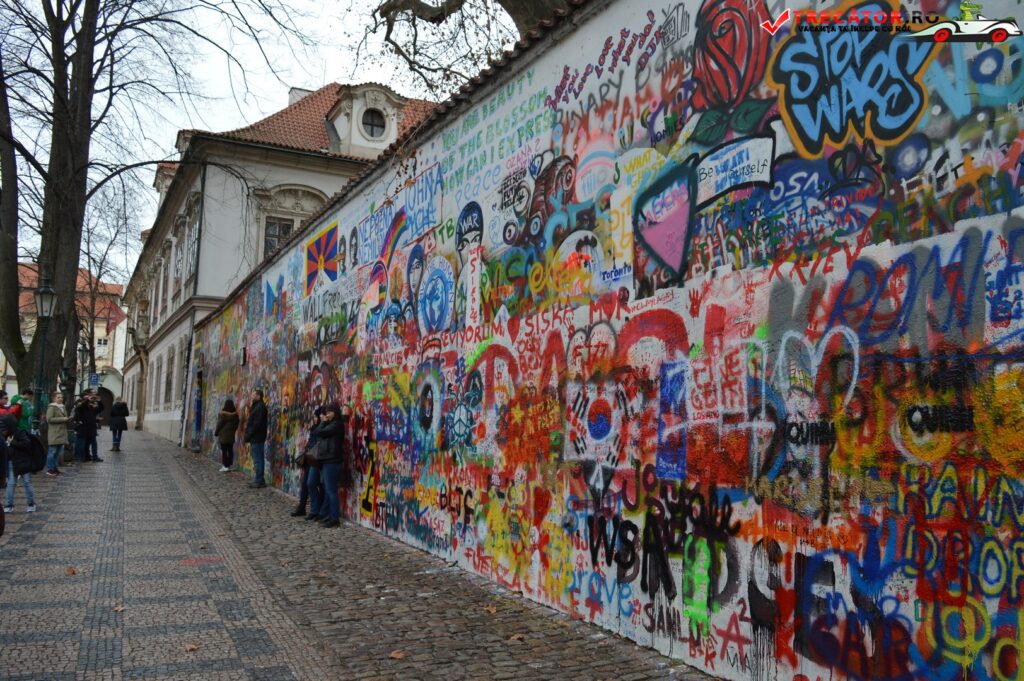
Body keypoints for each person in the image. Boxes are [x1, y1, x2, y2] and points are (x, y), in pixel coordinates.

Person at [312, 403, 349, 528]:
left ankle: (334, 519)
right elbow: (317, 432)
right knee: (329, 490)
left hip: (332, 461)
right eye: (326, 412)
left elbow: (320, 432)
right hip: (327, 459)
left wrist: (323, 421)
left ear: (335, 412)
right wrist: (324, 422)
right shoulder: (331, 424)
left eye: (330, 412)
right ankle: (329, 515)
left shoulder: (336, 424)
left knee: (331, 490)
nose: (327, 414)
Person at [293, 407, 323, 518]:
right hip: (309, 458)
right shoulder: (315, 428)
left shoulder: (320, 428)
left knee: (311, 483)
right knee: (305, 484)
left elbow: (317, 444)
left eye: (316, 416)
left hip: (314, 459)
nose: (314, 419)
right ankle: (302, 507)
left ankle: (315, 509)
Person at [2, 414, 35, 514]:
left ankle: (31, 504)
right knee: (11, 483)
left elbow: (26, 444)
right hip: (12, 462)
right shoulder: (4, 434)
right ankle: (9, 505)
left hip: (22, 461)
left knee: (27, 482)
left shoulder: (20, 432)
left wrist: (13, 442)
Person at [244, 388, 268, 488]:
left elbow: (256, 424)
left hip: (257, 437)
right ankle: (260, 480)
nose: (252, 396)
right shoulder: (258, 406)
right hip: (257, 437)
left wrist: (249, 435)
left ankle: (259, 481)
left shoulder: (259, 407)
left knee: (258, 460)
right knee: (259, 459)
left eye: (254, 394)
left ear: (258, 396)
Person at [44, 392, 70, 476]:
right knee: (52, 452)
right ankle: (50, 469)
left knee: (57, 453)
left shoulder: (62, 407)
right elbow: (49, 419)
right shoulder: (52, 407)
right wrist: (63, 419)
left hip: (62, 433)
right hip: (54, 432)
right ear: (54, 398)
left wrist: (67, 419)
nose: (60, 399)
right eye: (58, 397)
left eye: (61, 397)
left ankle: (55, 468)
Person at [73, 390, 102, 463]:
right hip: (83, 427)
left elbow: (100, 409)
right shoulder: (80, 404)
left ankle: (94, 457)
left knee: (93, 443)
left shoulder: (91, 405)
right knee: (82, 443)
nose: (90, 399)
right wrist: (87, 400)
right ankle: (82, 457)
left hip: (92, 427)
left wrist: (99, 401)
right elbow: (80, 408)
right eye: (87, 398)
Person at [214, 399, 240, 472]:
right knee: (230, 450)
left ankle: (225, 466)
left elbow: (219, 424)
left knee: (224, 451)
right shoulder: (235, 415)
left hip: (223, 434)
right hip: (231, 434)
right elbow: (236, 425)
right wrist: (232, 430)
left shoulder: (223, 414)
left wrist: (216, 432)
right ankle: (229, 464)